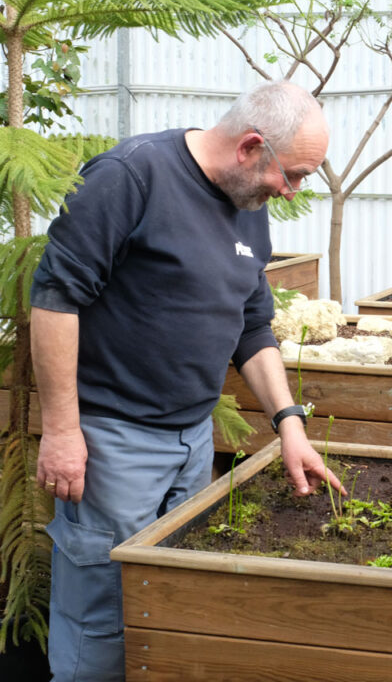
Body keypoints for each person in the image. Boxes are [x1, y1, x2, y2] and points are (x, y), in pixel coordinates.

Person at [31, 80, 345, 682]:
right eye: (294, 174)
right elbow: (54, 299)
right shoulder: (132, 177)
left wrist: (290, 426)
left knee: (170, 599)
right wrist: (62, 430)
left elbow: (253, 328)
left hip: (192, 442)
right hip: (111, 443)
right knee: (102, 609)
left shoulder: (248, 212)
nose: (293, 190)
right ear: (251, 147)